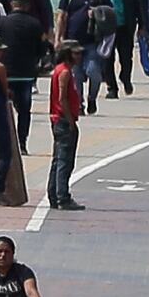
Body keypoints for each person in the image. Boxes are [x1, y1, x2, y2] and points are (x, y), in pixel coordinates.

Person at [43, 41, 89, 210]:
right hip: (63, 120)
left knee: (58, 160)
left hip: (59, 120)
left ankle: (54, 194)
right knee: (64, 161)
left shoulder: (62, 70)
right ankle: (62, 196)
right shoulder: (64, 72)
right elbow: (62, 99)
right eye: (75, 53)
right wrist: (70, 121)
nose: (79, 56)